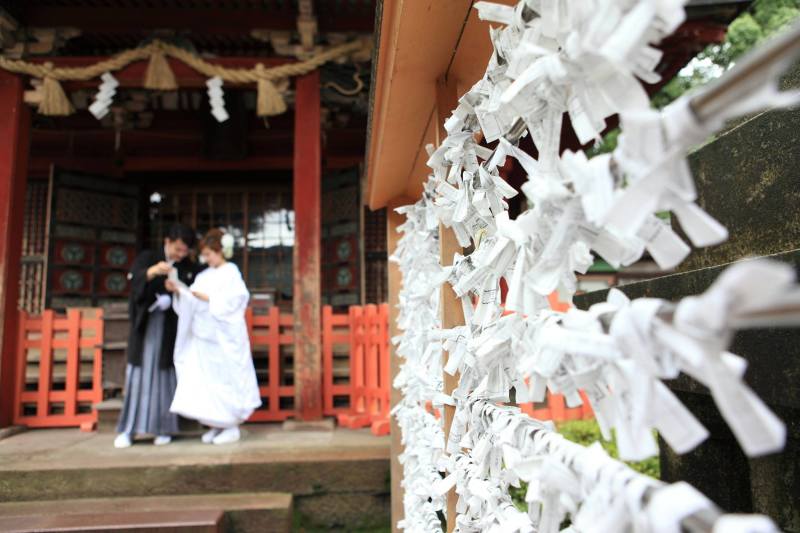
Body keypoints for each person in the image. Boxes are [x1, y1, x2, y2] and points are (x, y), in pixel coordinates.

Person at [166, 228, 261, 445]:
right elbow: (191, 300)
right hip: (204, 337)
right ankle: (216, 424)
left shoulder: (231, 272)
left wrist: (211, 298)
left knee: (226, 380)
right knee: (208, 382)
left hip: (224, 339)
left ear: (221, 251)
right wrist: (180, 291)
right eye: (205, 255)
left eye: (209, 254)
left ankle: (231, 425)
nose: (206, 258)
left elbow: (238, 300)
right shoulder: (203, 275)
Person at [114, 223, 201, 449]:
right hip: (146, 325)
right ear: (167, 242)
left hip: (171, 328)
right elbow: (134, 283)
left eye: (185, 251)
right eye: (178, 249)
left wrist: (177, 292)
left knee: (165, 377)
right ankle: (128, 430)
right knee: (138, 375)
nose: (180, 255)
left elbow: (193, 292)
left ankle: (164, 428)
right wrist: (153, 271)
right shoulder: (148, 257)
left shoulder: (187, 266)